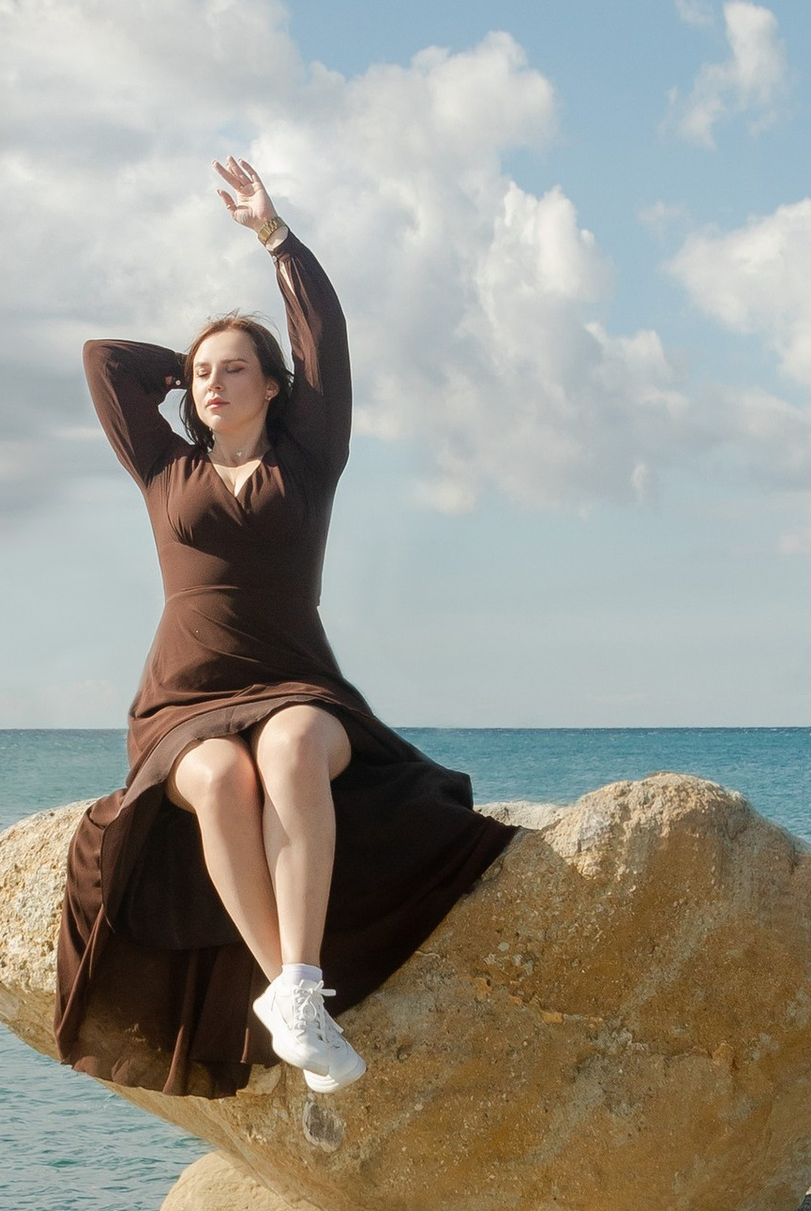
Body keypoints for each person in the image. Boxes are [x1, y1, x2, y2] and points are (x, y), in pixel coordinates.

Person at [55, 155, 511, 1101]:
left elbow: (326, 339)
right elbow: (104, 362)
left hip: (296, 679)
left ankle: (297, 984)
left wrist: (276, 240)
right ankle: (289, 991)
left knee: (296, 751)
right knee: (221, 777)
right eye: (201, 375)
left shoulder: (311, 458)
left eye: (235, 370)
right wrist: (179, 365)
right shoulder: (163, 469)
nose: (213, 384)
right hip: (185, 696)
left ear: (274, 386)